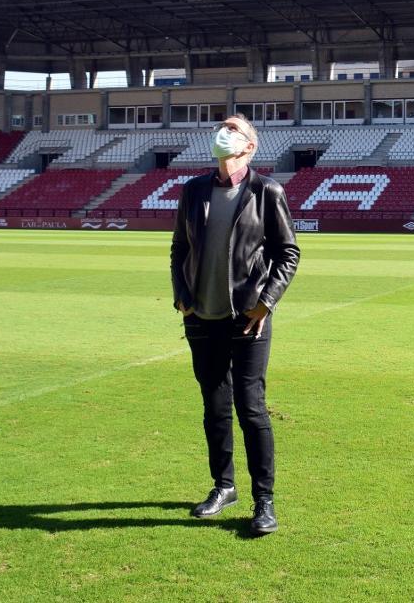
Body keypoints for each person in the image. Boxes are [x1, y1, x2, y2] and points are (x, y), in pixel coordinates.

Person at [169, 114, 300, 535]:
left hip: (248, 320)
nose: (224, 134)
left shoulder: (267, 191)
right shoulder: (193, 191)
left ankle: (265, 501)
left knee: (251, 408)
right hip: (201, 319)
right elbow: (178, 249)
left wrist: (266, 304)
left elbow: (288, 253)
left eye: (235, 131)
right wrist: (182, 298)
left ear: (250, 147)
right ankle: (223, 486)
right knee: (214, 407)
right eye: (222, 128)